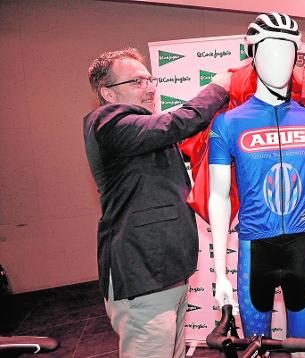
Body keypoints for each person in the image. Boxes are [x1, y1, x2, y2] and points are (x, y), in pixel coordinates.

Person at [83, 48, 231, 358]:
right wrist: (219, 88)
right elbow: (175, 124)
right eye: (137, 81)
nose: (150, 88)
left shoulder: (142, 130)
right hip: (142, 276)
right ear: (108, 93)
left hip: (163, 274)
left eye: (151, 79)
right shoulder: (108, 122)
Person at [208, 13, 305, 339]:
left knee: (303, 348)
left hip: (302, 247)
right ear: (252, 57)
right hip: (255, 250)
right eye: (269, 52)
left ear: (297, 57)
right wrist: (220, 273)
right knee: (256, 348)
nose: (279, 61)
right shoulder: (228, 123)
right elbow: (218, 197)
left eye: (288, 52)